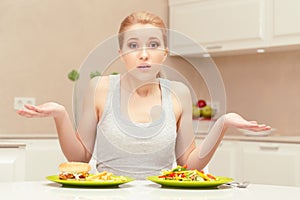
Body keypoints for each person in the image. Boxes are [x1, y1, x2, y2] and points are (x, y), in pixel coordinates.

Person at [17, 11, 270, 179]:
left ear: (165, 52)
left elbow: (188, 165)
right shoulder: (100, 87)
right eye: (133, 46)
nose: (144, 54)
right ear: (121, 53)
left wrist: (223, 123)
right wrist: (60, 115)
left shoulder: (179, 93)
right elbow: (79, 158)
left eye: (153, 44)